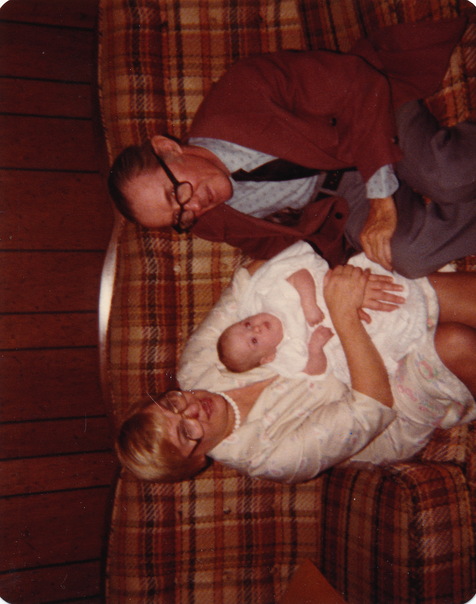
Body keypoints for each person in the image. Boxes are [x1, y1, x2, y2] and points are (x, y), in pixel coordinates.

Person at [107, 17, 476, 278]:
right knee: (407, 257)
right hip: (345, 196)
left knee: (448, 177)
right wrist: (338, 272)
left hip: (370, 119)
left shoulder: (244, 88)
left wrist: (381, 197)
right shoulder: (210, 223)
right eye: (179, 218)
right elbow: (279, 247)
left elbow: (357, 84)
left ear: (168, 148)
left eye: (176, 193)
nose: (193, 208)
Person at [116, 265, 476, 483]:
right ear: (196, 462)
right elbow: (372, 405)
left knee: (407, 294)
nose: (192, 408)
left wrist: (322, 295)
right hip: (387, 412)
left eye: (172, 404)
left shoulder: (195, 366)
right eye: (186, 432)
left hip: (340, 338)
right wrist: (343, 309)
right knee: (452, 344)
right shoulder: (272, 458)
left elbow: (253, 275)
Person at [217, 241, 430, 383]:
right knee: (380, 335)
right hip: (349, 327)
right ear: (268, 357)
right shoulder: (286, 357)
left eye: (246, 324)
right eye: (254, 340)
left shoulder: (271, 299)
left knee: (390, 290)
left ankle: (418, 296)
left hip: (336, 290)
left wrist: (309, 303)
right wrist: (315, 349)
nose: (255, 328)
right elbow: (315, 370)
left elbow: (300, 274)